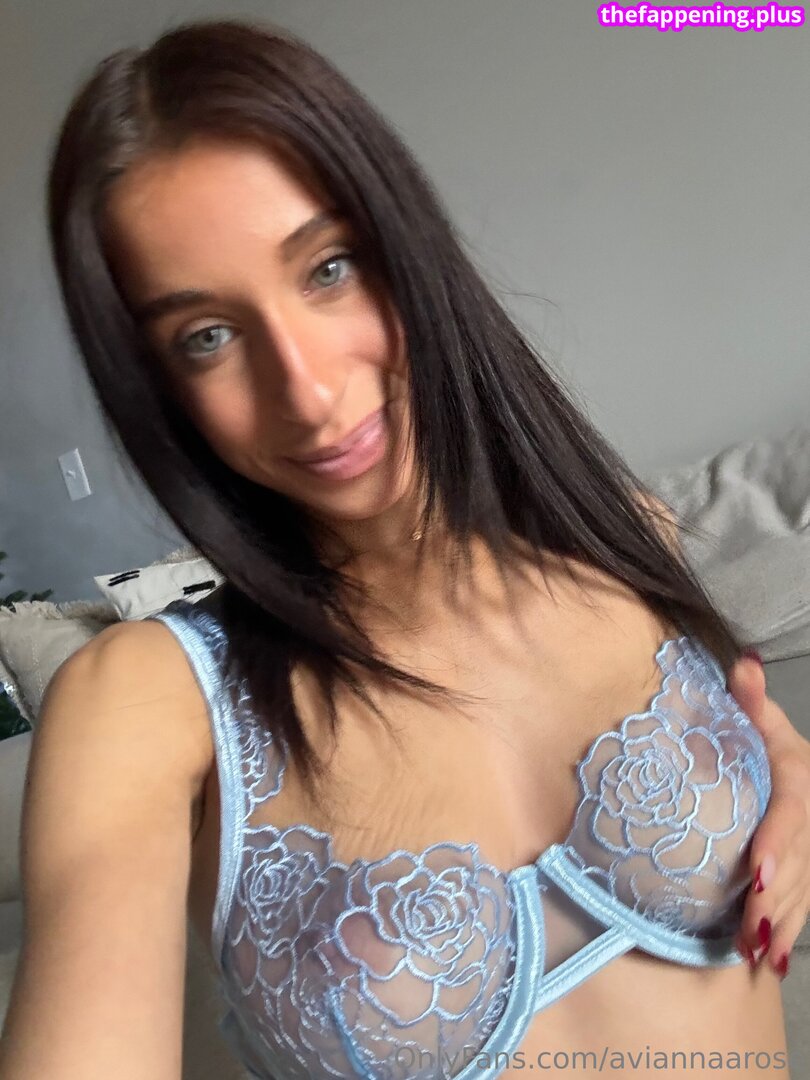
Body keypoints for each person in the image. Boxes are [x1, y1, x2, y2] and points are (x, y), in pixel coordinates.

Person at [1, 16, 808, 1080]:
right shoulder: (144, 708)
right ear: (159, 392)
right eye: (208, 337)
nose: (307, 389)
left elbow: (751, 718)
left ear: (407, 245)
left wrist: (778, 761)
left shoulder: (624, 534)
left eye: (329, 268)